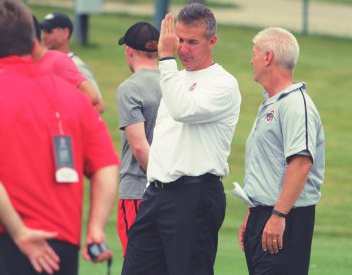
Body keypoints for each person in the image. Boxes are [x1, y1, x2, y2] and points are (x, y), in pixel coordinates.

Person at [0, 1, 119, 275]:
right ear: (35, 45)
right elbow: (107, 165)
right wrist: (95, 227)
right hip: (61, 247)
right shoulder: (75, 98)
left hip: (0, 238)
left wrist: (20, 232)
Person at [121, 3, 241, 275]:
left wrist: (165, 59)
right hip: (156, 194)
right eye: (180, 41)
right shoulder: (176, 78)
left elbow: (183, 110)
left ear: (212, 41)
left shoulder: (223, 83)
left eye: (192, 42)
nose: (183, 49)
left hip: (194, 195)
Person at [238, 27, 325, 275]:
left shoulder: (296, 105)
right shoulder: (271, 103)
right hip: (264, 215)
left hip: (285, 219)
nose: (250, 59)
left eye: (254, 53)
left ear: (268, 57)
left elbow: (301, 163)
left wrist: (277, 215)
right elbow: (268, 165)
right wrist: (252, 212)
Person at [115, 21, 162, 256]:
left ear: (129, 50)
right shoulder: (176, 82)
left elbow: (139, 147)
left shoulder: (130, 88)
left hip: (138, 191)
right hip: (174, 195)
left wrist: (160, 180)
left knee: (137, 264)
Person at [31, 16, 105, 113]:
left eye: (49, 32)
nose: (44, 36)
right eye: (43, 32)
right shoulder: (43, 61)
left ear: (65, 33)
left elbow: (99, 104)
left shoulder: (75, 64)